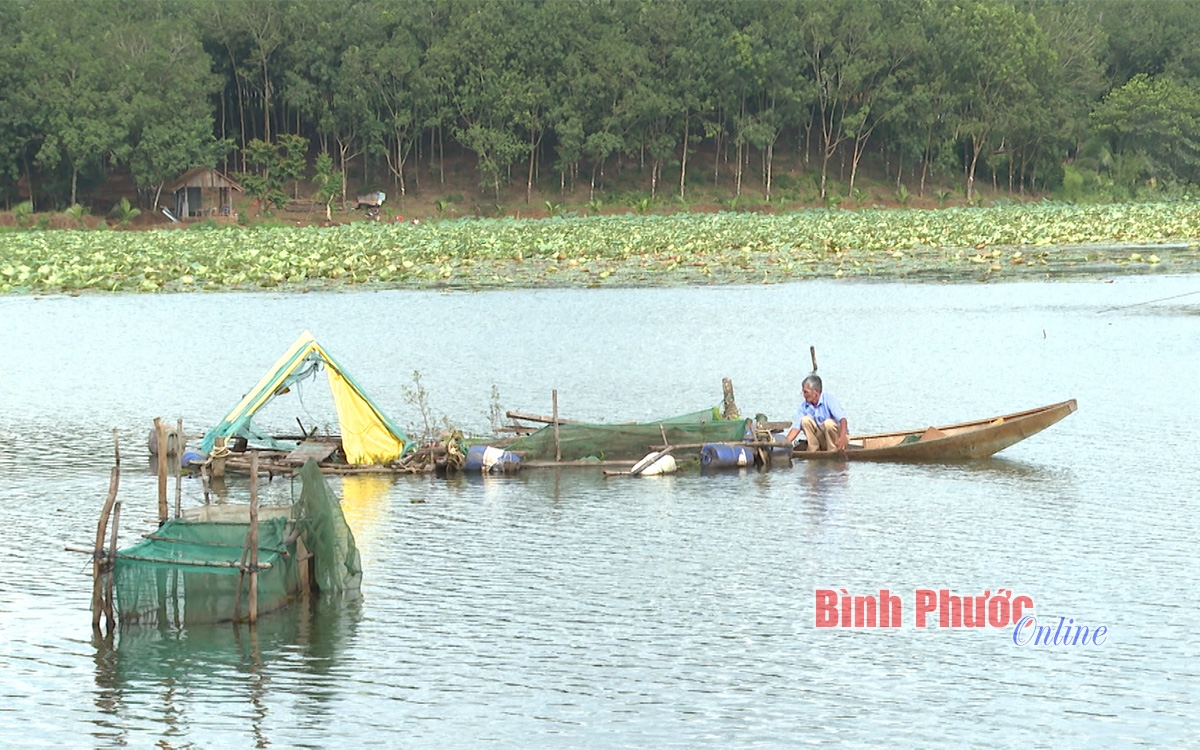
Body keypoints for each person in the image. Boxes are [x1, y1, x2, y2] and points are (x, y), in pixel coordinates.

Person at [784, 374, 848, 452]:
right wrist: (784, 445)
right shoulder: (804, 406)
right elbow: (795, 429)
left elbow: (843, 420)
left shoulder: (829, 399)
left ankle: (833, 450)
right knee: (805, 420)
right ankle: (814, 450)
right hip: (822, 439)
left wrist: (842, 437)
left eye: (806, 392)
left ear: (816, 392)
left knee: (828, 423)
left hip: (837, 438)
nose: (804, 395)